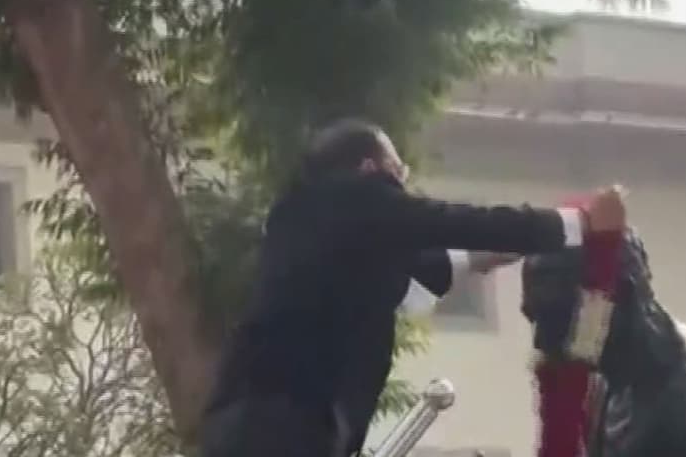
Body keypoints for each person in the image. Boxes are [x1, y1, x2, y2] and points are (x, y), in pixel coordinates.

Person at [199, 118, 628, 457]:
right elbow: (452, 222)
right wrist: (574, 224)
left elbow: (409, 285)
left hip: (249, 426)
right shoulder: (351, 197)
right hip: (280, 429)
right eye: (398, 171)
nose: (402, 185)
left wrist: (490, 256)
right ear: (370, 168)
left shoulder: (313, 234)